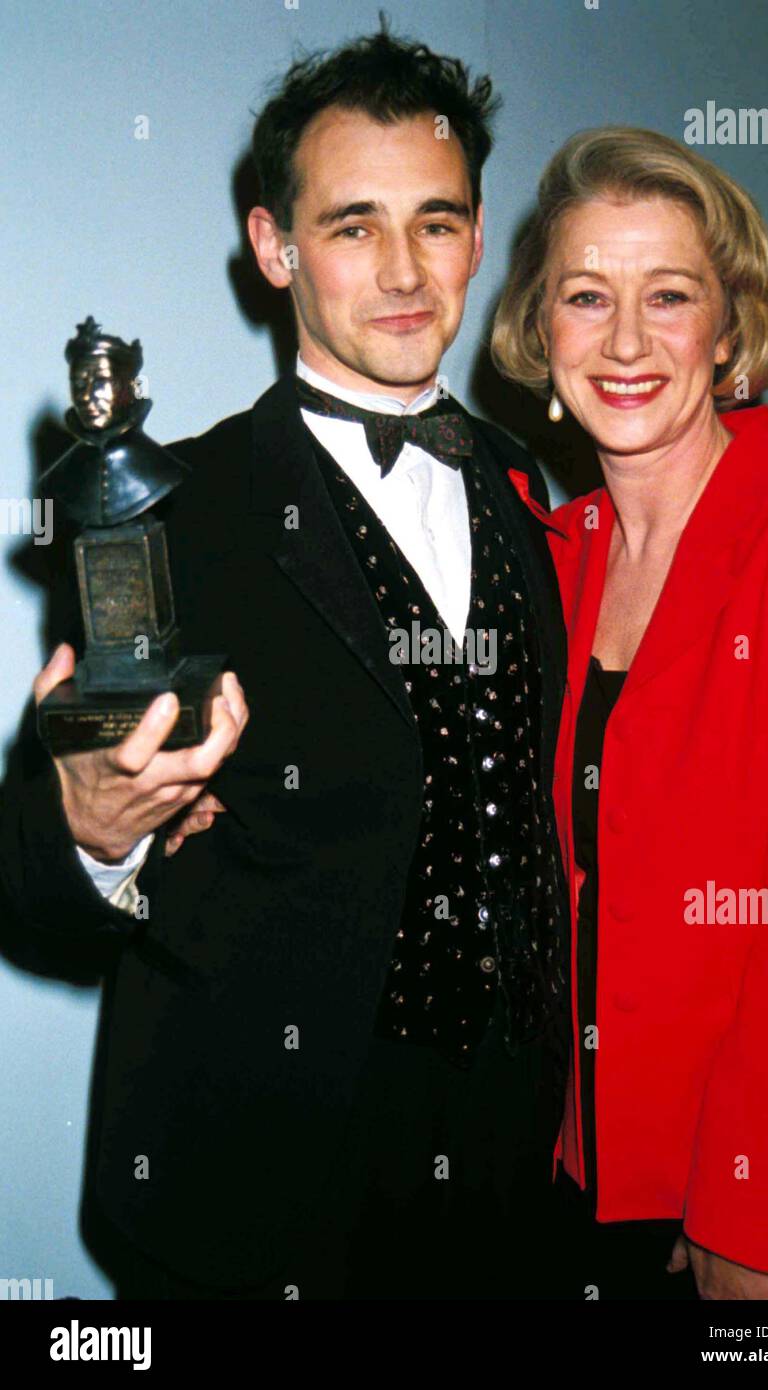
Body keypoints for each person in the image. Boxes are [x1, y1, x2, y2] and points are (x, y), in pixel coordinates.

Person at [0, 24, 571, 1300]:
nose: (405, 270)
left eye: (436, 222)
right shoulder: (169, 514)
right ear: (276, 247)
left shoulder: (543, 500)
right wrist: (97, 831)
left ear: (478, 239)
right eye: (353, 224)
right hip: (255, 1201)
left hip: (510, 1190)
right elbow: (26, 883)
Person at [492, 126, 768, 1299]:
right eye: (584, 295)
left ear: (731, 328)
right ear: (538, 328)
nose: (623, 342)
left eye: (668, 295)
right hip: (590, 1192)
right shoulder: (553, 561)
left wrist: (741, 1225)